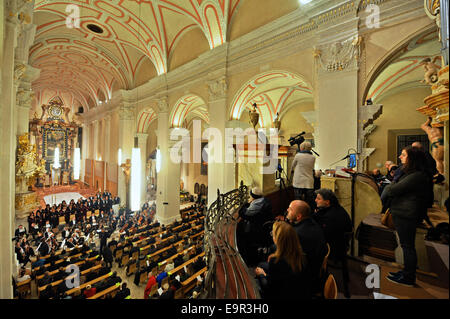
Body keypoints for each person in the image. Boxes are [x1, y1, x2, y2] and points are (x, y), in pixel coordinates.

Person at [383, 146, 432, 287]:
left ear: (412, 158)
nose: (400, 157)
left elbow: (392, 189)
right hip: (404, 212)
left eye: (403, 155)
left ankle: (409, 277)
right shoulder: (411, 173)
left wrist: (391, 185)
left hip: (406, 214)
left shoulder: (417, 176)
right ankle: (405, 272)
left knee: (407, 247)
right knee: (405, 245)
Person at [255, 221, 311, 299]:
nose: (272, 236)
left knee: (253, 283)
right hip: (297, 291)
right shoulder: (301, 253)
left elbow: (269, 289)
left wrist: (262, 274)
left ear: (278, 239)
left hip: (282, 295)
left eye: (273, 234)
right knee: (261, 265)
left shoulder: (276, 261)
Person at [285, 200, 327, 293]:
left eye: (290, 209)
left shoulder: (297, 234)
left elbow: (288, 259)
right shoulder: (312, 223)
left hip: (304, 278)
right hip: (315, 269)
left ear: (299, 216)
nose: (287, 210)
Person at [237, 187, 273, 266]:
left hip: (256, 230)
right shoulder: (264, 200)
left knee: (241, 238)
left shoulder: (257, 204)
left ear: (252, 196)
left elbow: (242, 213)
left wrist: (247, 203)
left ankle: (249, 262)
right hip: (263, 228)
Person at [290, 141, 316, 209]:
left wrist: (292, 171)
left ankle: (298, 215)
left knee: (298, 201)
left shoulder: (298, 155)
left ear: (302, 148)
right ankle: (308, 215)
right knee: (309, 201)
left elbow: (292, 166)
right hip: (309, 182)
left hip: (299, 181)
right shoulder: (313, 157)